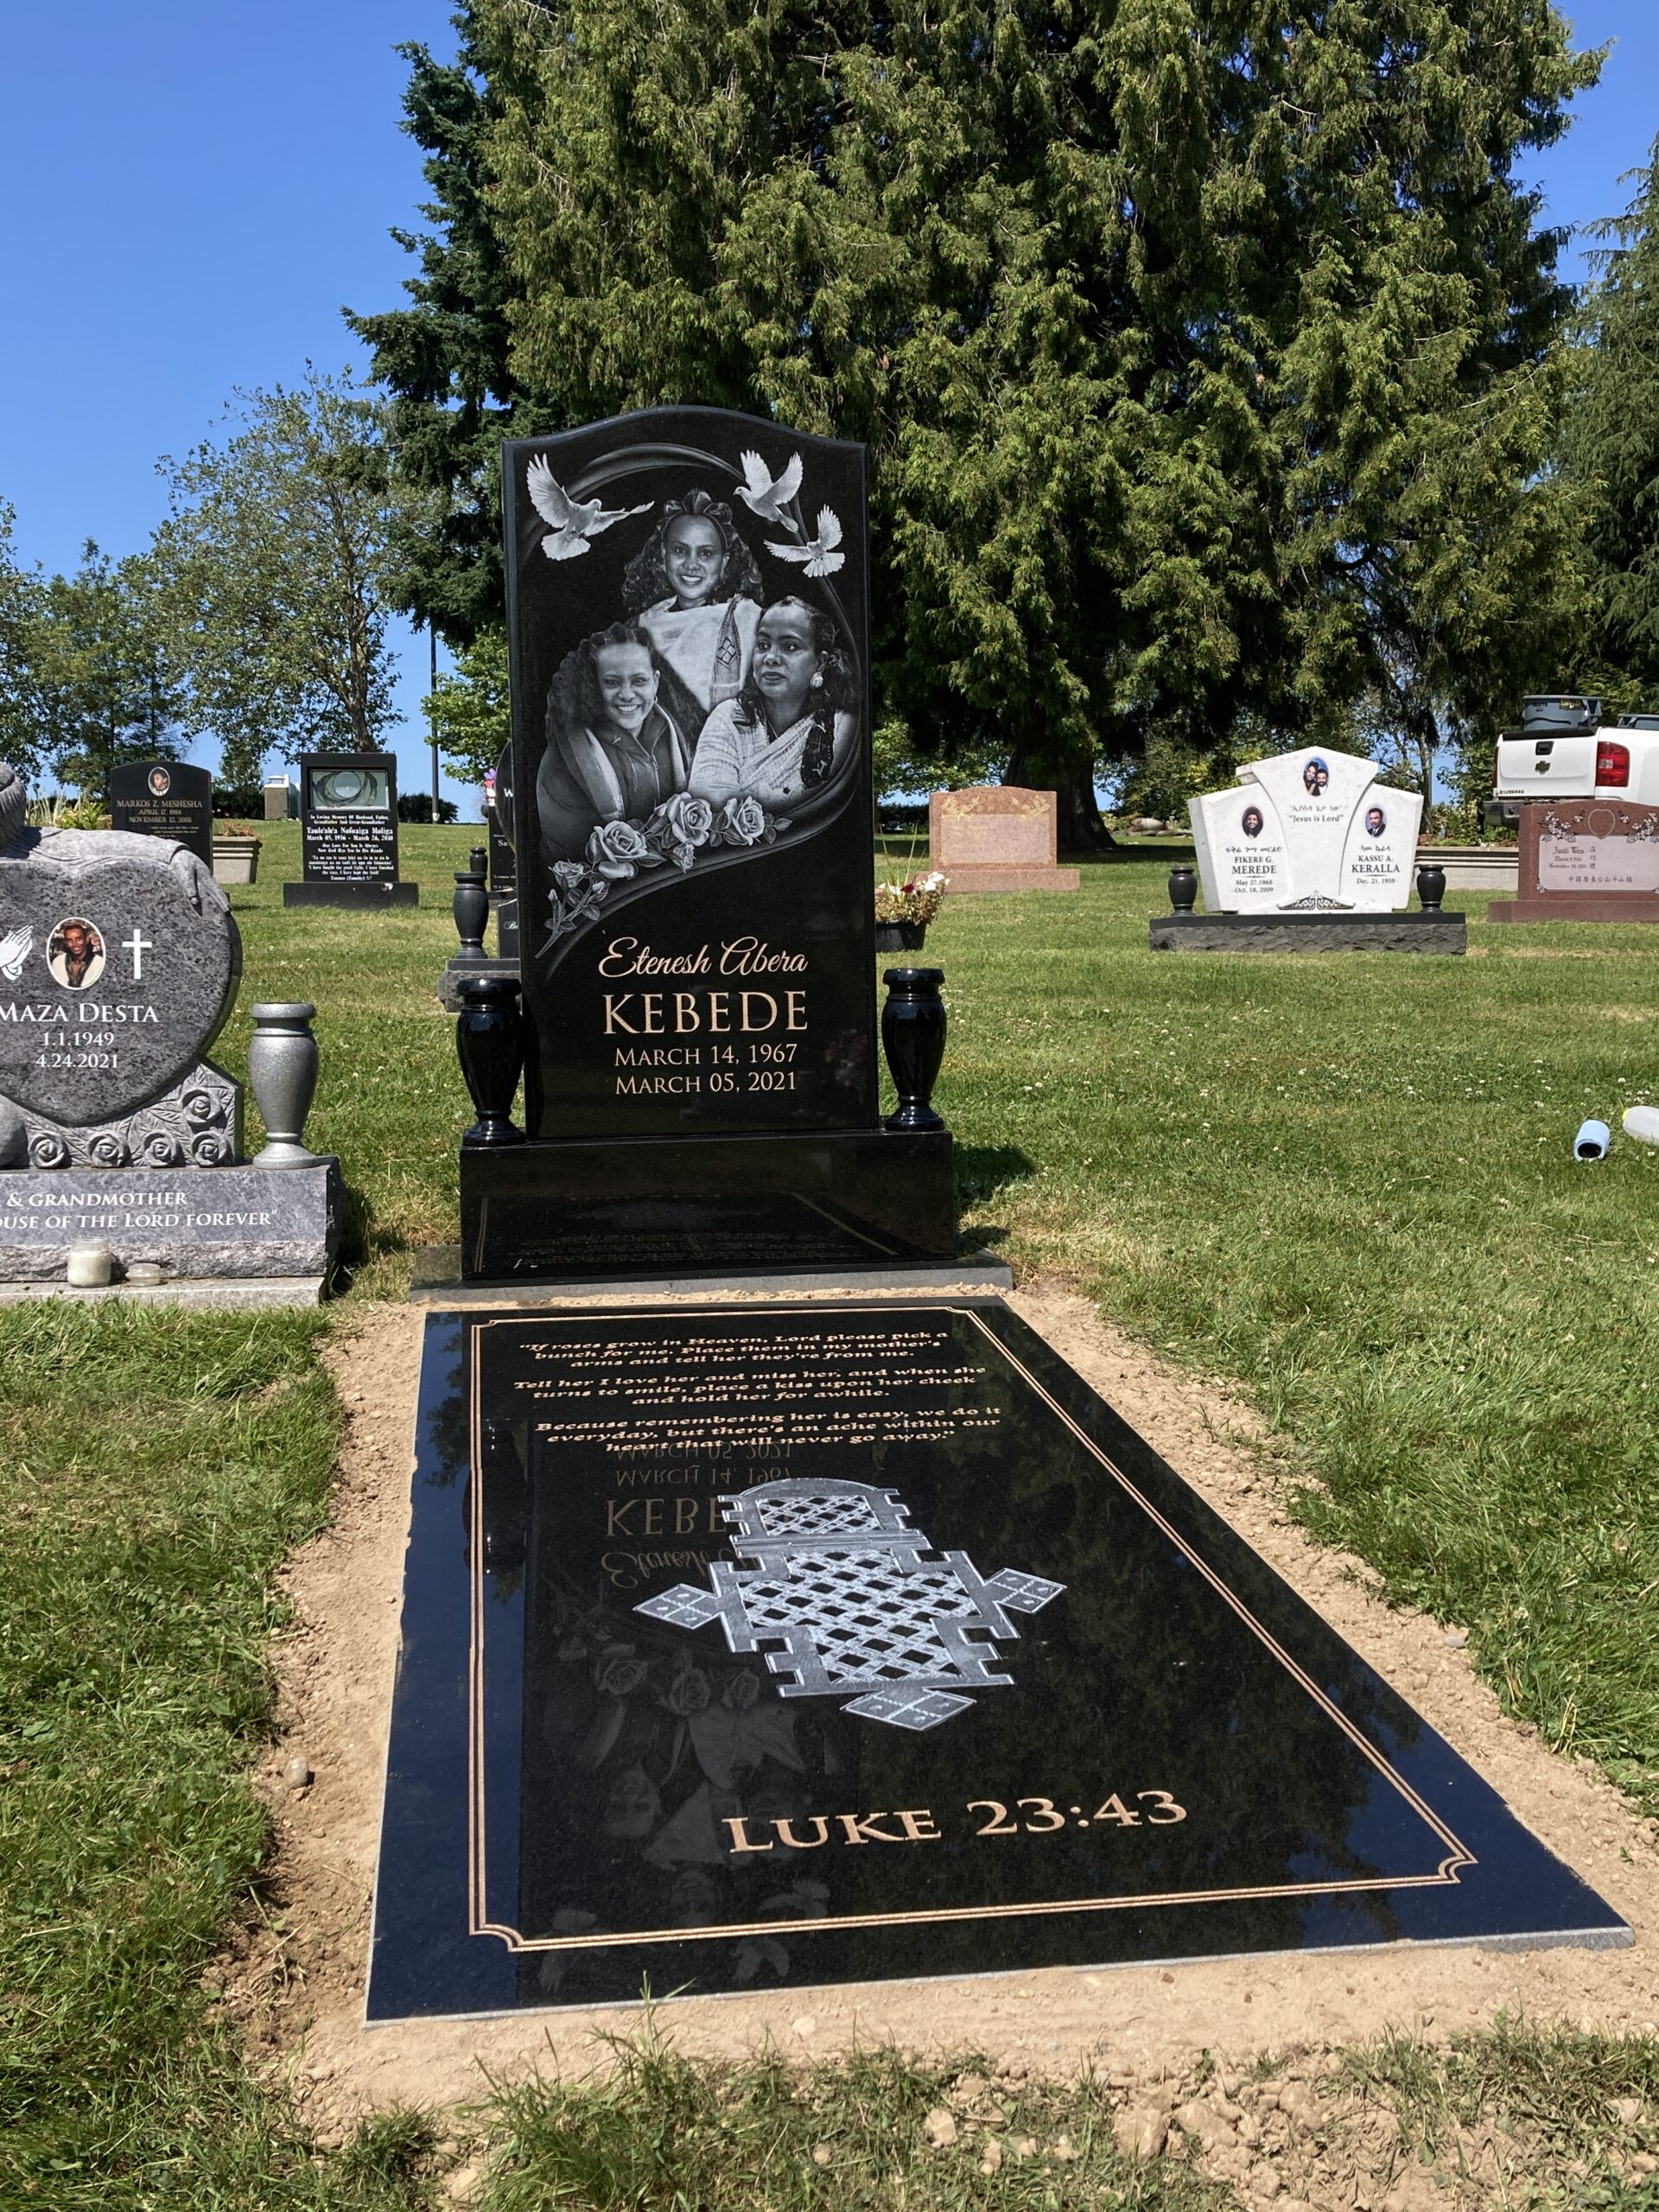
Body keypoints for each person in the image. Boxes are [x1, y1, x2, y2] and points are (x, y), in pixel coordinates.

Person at [537, 623, 692, 862]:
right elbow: (572, 855)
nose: (627, 694)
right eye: (612, 682)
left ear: (656, 682)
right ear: (594, 685)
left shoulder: (676, 737)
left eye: (639, 681)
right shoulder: (564, 760)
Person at [687, 598, 855, 811]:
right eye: (763, 645)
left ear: (820, 663)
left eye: (789, 646)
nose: (770, 658)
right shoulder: (728, 718)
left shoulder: (841, 726)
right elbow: (710, 807)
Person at [622, 491, 764, 717]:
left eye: (706, 554)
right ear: (663, 554)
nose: (691, 564)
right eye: (680, 551)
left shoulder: (753, 621)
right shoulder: (638, 629)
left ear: (724, 562)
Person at [48, 918, 104, 990]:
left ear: (86, 940)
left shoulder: (99, 962)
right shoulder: (58, 962)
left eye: (79, 939)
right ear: (66, 943)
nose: (74, 944)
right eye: (70, 940)